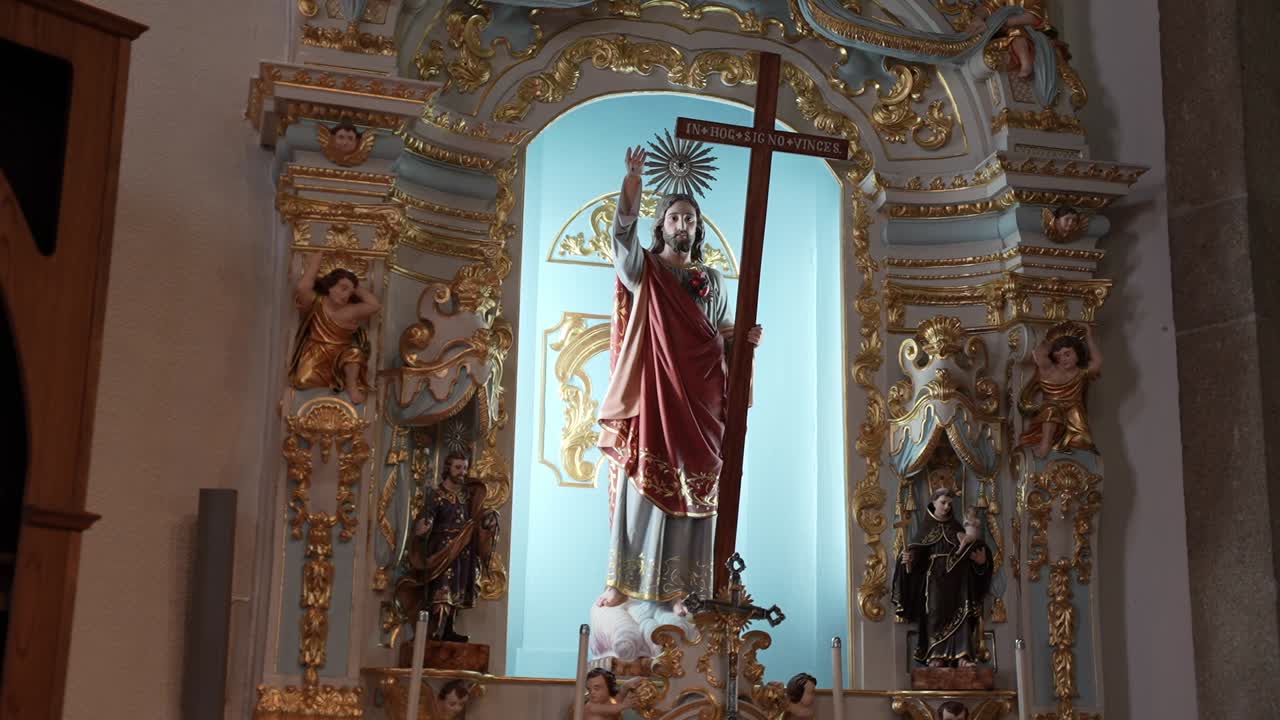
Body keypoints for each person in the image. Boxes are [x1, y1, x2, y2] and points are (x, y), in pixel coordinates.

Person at [595, 146, 762, 616]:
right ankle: (625, 584)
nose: (682, 226)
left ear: (698, 228)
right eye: (674, 218)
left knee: (697, 490)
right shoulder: (645, 269)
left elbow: (723, 332)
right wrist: (633, 184)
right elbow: (621, 239)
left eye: (689, 219)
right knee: (644, 482)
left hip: (704, 397)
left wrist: (745, 340)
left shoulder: (711, 279)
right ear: (661, 225)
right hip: (658, 390)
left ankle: (685, 589)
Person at [891, 488, 992, 667]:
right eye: (943, 503)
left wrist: (981, 561)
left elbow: (971, 551)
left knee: (962, 615)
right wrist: (906, 559)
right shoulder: (926, 528)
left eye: (949, 504)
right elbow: (914, 555)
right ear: (934, 503)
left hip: (959, 580)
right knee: (934, 613)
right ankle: (935, 654)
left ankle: (963, 655)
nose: (946, 507)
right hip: (935, 579)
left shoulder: (956, 527)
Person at [411, 452, 499, 643]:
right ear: (447, 468)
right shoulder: (436, 495)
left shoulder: (467, 496)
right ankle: (438, 629)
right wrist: (422, 528)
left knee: (457, 590)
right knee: (443, 590)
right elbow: (427, 520)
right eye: (458, 467)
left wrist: (487, 522)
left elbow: (476, 517)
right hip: (443, 549)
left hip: (464, 550)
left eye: (465, 468)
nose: (462, 472)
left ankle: (449, 628)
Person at [289, 252, 380, 404]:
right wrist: (316, 261)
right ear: (330, 286)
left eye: (349, 293)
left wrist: (354, 285)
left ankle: (351, 388)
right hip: (316, 354)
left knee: (355, 353)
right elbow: (303, 287)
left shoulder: (350, 310)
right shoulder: (317, 302)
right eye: (342, 288)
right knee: (302, 381)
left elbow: (375, 305)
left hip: (341, 358)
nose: (345, 295)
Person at [1018, 324, 1102, 458]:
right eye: (1059, 356)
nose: (1063, 359)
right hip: (1049, 417)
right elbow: (1038, 354)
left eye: (1067, 354)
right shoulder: (1050, 370)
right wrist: (1049, 343)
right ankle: (1045, 445)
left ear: (1078, 353)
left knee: (1083, 441)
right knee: (1052, 409)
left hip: (1073, 415)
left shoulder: (1080, 373)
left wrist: (1089, 337)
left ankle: (1062, 444)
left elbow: (1097, 363)